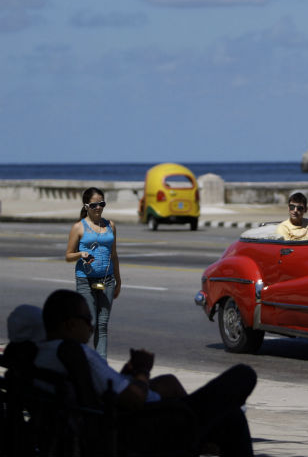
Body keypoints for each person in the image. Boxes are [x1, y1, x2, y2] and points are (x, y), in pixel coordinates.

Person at [33, 289, 255, 456]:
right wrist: (141, 370)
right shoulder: (76, 353)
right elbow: (134, 400)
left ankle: (197, 436)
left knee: (219, 410)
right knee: (242, 378)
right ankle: (192, 438)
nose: (91, 328)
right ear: (71, 324)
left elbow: (104, 391)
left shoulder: (41, 354)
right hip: (138, 425)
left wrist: (126, 374)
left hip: (109, 418)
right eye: (87, 321)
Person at [64, 186, 121, 360]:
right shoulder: (78, 227)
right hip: (85, 280)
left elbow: (114, 254)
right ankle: (77, 358)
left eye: (102, 204)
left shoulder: (110, 225)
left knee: (103, 325)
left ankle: (101, 363)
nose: (99, 208)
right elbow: (68, 256)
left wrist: (118, 280)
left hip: (107, 280)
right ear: (86, 205)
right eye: (94, 205)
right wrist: (81, 254)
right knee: (91, 323)